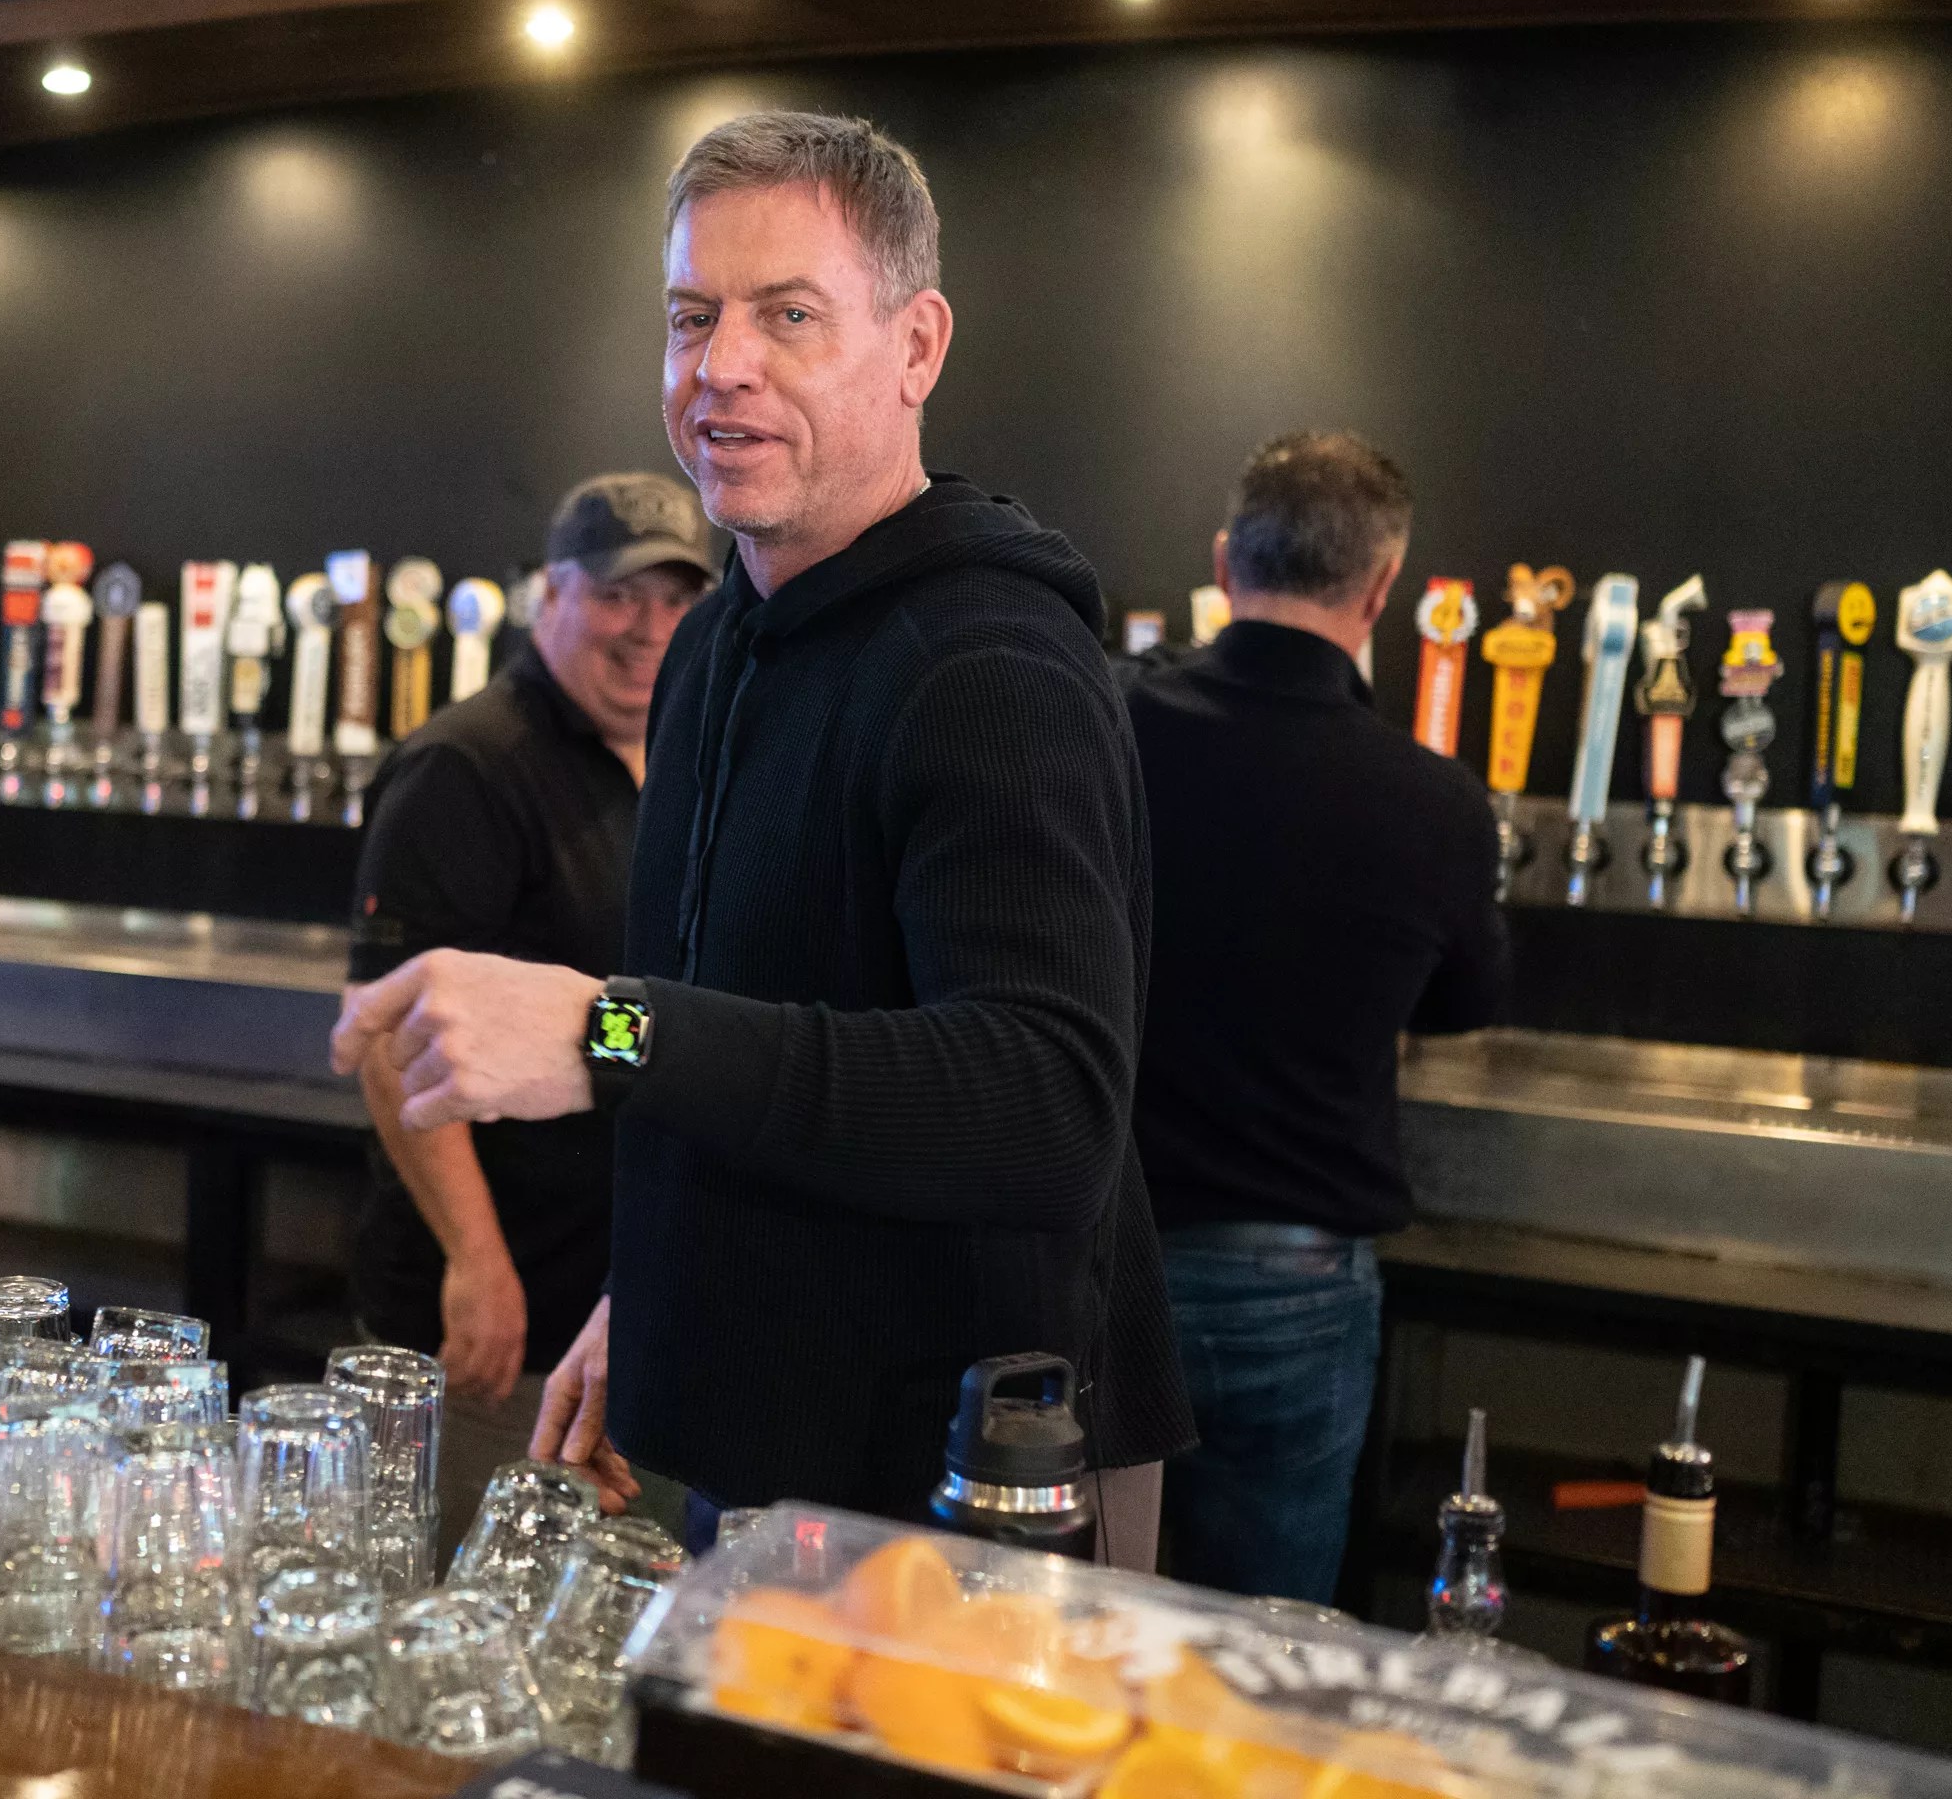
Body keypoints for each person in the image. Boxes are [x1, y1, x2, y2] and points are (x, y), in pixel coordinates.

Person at [333, 111, 1189, 1566]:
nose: (719, 364)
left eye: (788, 316)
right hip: (767, 1443)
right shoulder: (721, 640)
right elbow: (748, 1036)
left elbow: (1047, 1108)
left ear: (915, 348)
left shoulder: (991, 667)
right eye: (691, 317)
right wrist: (657, 1295)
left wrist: (608, 1029)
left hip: (977, 1478)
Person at [1121, 431, 1510, 1605]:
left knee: (1070, 1629)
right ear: (1382, 589)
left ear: (1223, 560)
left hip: (1102, 1260)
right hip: (1294, 1284)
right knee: (1270, 1648)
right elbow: (1467, 1005)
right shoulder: (1434, 803)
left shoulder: (1106, 733)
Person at [346, 472, 715, 1549]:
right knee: (458, 1601)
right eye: (617, 595)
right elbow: (387, 1035)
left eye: (676, 597)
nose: (648, 628)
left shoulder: (675, 759)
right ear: (548, 593)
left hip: (613, 1308)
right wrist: (476, 1261)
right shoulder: (467, 766)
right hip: (491, 1321)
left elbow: (633, 1015)